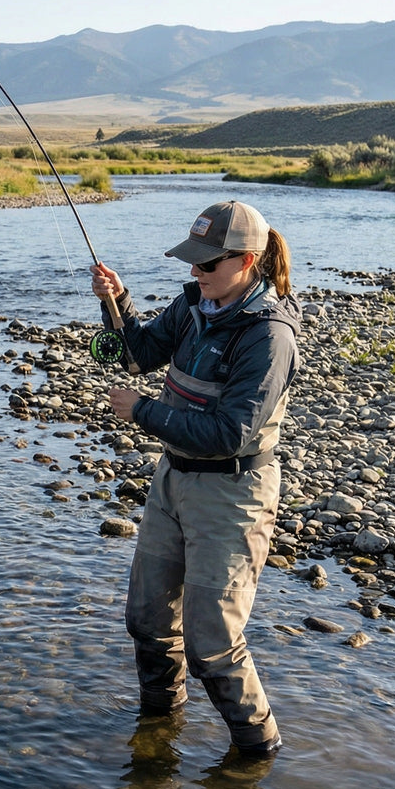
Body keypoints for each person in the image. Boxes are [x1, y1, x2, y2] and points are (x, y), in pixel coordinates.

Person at [90, 200, 300, 757]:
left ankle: (256, 755)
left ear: (247, 261)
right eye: (193, 260)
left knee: (212, 643)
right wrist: (117, 302)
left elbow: (230, 433)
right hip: (173, 481)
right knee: (147, 621)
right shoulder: (192, 306)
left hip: (233, 495)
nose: (195, 271)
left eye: (207, 263)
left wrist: (142, 412)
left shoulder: (269, 336)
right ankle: (157, 733)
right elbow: (137, 356)